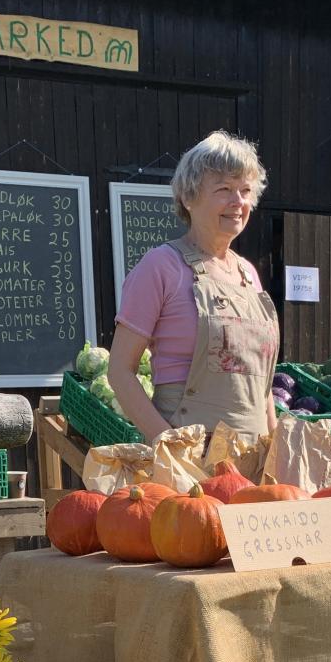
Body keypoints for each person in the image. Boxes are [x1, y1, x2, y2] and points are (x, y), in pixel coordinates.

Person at [108, 131, 278, 441]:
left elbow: (261, 385)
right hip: (189, 450)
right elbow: (119, 372)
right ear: (189, 198)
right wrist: (170, 445)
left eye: (245, 190)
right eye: (224, 189)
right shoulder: (161, 266)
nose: (238, 202)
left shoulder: (249, 274)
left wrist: (275, 445)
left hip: (254, 454)